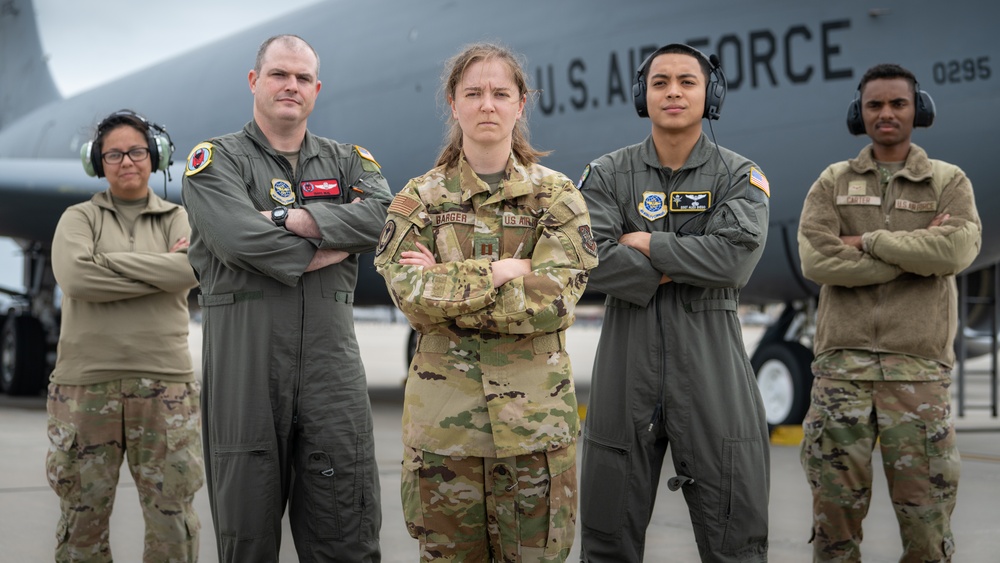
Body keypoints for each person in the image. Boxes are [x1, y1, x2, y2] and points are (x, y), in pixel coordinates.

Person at [373, 42, 598, 562]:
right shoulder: (419, 199)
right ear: (453, 104)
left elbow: (557, 298)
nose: (487, 105)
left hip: (535, 433)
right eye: (473, 93)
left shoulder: (558, 197)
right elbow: (410, 296)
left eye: (501, 93)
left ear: (522, 103)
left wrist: (450, 284)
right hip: (447, 434)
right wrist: (504, 271)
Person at [181, 34, 389, 562]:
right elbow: (238, 240)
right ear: (255, 82)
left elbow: (387, 218)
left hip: (331, 373)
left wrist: (294, 220)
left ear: (316, 90)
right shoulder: (214, 163)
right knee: (247, 538)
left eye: (302, 78)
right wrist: (338, 243)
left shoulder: (349, 163)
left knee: (348, 530)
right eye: (279, 74)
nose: (290, 86)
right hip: (246, 372)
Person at [576, 43, 771, 562]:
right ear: (644, 95)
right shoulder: (607, 175)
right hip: (626, 363)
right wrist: (686, 261)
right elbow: (587, 258)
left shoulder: (738, 175)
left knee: (735, 534)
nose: (674, 92)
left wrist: (648, 243)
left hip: (711, 366)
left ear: (711, 94)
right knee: (606, 535)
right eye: (660, 82)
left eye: (687, 81)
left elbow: (734, 262)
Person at [797, 63, 981, 562]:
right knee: (833, 524)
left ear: (917, 110)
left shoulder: (947, 181)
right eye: (875, 104)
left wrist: (870, 242)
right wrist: (914, 256)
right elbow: (817, 259)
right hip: (841, 373)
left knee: (927, 524)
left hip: (917, 374)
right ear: (860, 113)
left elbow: (957, 252)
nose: (886, 114)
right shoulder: (832, 182)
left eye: (898, 103)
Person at [46, 109, 202, 561]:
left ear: (155, 157)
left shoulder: (179, 218)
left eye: (136, 151)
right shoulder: (78, 219)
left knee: (173, 521)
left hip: (165, 387)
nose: (126, 161)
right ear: (96, 163)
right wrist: (163, 270)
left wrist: (106, 261)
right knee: (81, 521)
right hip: (85, 387)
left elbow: (193, 268)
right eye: (113, 154)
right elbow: (76, 279)